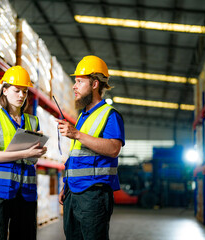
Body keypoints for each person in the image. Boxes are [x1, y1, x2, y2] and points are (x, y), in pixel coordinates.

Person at [57, 55, 125, 240]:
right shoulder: (83, 117)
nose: (74, 86)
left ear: (95, 84)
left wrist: (76, 134)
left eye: (79, 81)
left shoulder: (110, 115)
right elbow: (77, 155)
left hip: (94, 193)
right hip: (74, 192)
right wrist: (66, 185)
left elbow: (113, 149)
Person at [0, 65, 47, 240]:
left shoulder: (33, 121)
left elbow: (30, 161)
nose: (21, 95)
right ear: (5, 91)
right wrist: (24, 153)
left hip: (26, 193)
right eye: (17, 90)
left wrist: (37, 153)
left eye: (25, 91)